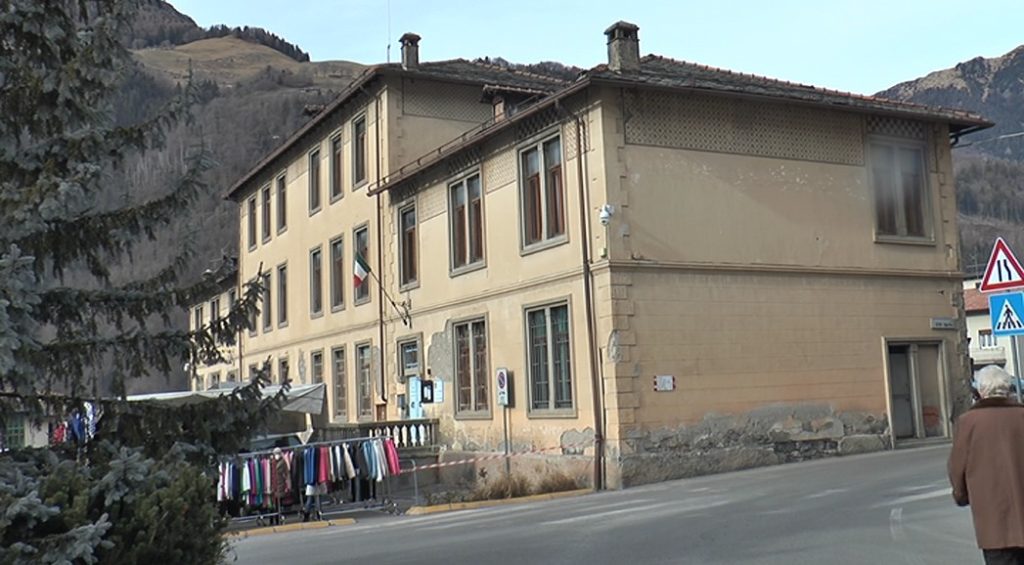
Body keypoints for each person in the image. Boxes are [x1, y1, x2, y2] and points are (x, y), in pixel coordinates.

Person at [949, 365, 1024, 564]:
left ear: (981, 391)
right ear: (1008, 389)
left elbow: (957, 467)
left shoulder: (968, 422)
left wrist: (961, 495)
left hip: (992, 519)